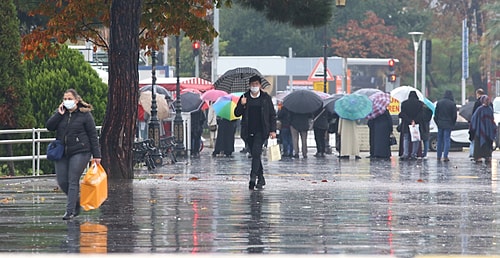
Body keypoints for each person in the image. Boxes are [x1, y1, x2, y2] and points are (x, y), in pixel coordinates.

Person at [46, 89, 101, 220]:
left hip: (81, 151)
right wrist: (58, 115)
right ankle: (76, 201)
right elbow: (49, 126)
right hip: (62, 152)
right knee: (62, 181)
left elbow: (93, 135)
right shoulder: (61, 113)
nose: (67, 101)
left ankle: (69, 211)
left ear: (76, 100)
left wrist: (97, 155)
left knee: (73, 180)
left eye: (69, 99)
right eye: (65, 99)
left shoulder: (85, 115)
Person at [234, 75, 277, 190]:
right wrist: (242, 105)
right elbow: (237, 113)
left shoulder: (265, 98)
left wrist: (273, 130)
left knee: (256, 153)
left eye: (256, 84)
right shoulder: (244, 97)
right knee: (255, 155)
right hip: (248, 132)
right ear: (249, 85)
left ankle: (253, 178)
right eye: (252, 85)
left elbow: (272, 115)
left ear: (260, 85)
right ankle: (261, 178)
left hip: (261, 131)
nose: (254, 87)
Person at [470, 95, 497, 163]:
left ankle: (479, 157)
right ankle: (487, 156)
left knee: (479, 143)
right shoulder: (489, 109)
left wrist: (473, 127)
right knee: (487, 142)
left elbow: (473, 119)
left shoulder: (479, 109)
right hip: (486, 130)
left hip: (479, 130)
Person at [398, 91, 423, 160]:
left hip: (406, 124)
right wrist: (414, 121)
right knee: (415, 139)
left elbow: (402, 114)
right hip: (416, 125)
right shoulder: (420, 104)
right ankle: (413, 154)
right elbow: (421, 115)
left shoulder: (404, 103)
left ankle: (405, 153)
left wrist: (409, 120)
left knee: (406, 138)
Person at [434, 90, 457, 162]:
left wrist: (437, 122)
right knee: (447, 140)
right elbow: (454, 116)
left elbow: (436, 115)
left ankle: (438, 156)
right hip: (448, 124)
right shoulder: (452, 104)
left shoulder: (439, 103)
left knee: (439, 140)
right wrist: (452, 123)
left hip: (440, 124)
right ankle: (445, 156)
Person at [469, 88, 489, 158]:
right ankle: (487, 156)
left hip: (478, 125)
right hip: (487, 126)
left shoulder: (477, 103)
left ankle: (477, 156)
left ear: (478, 94)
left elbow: (474, 116)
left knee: (477, 141)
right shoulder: (489, 104)